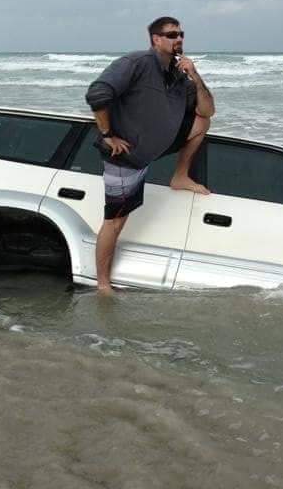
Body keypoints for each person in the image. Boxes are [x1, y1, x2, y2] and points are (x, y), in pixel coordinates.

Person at [85, 17, 215, 293]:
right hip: (126, 156)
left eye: (180, 34)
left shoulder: (179, 75)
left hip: (154, 147)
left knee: (202, 124)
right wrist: (108, 135)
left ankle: (179, 176)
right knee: (116, 221)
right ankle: (103, 285)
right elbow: (98, 93)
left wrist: (195, 75)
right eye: (170, 35)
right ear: (155, 39)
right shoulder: (137, 63)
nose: (177, 39)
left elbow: (207, 111)